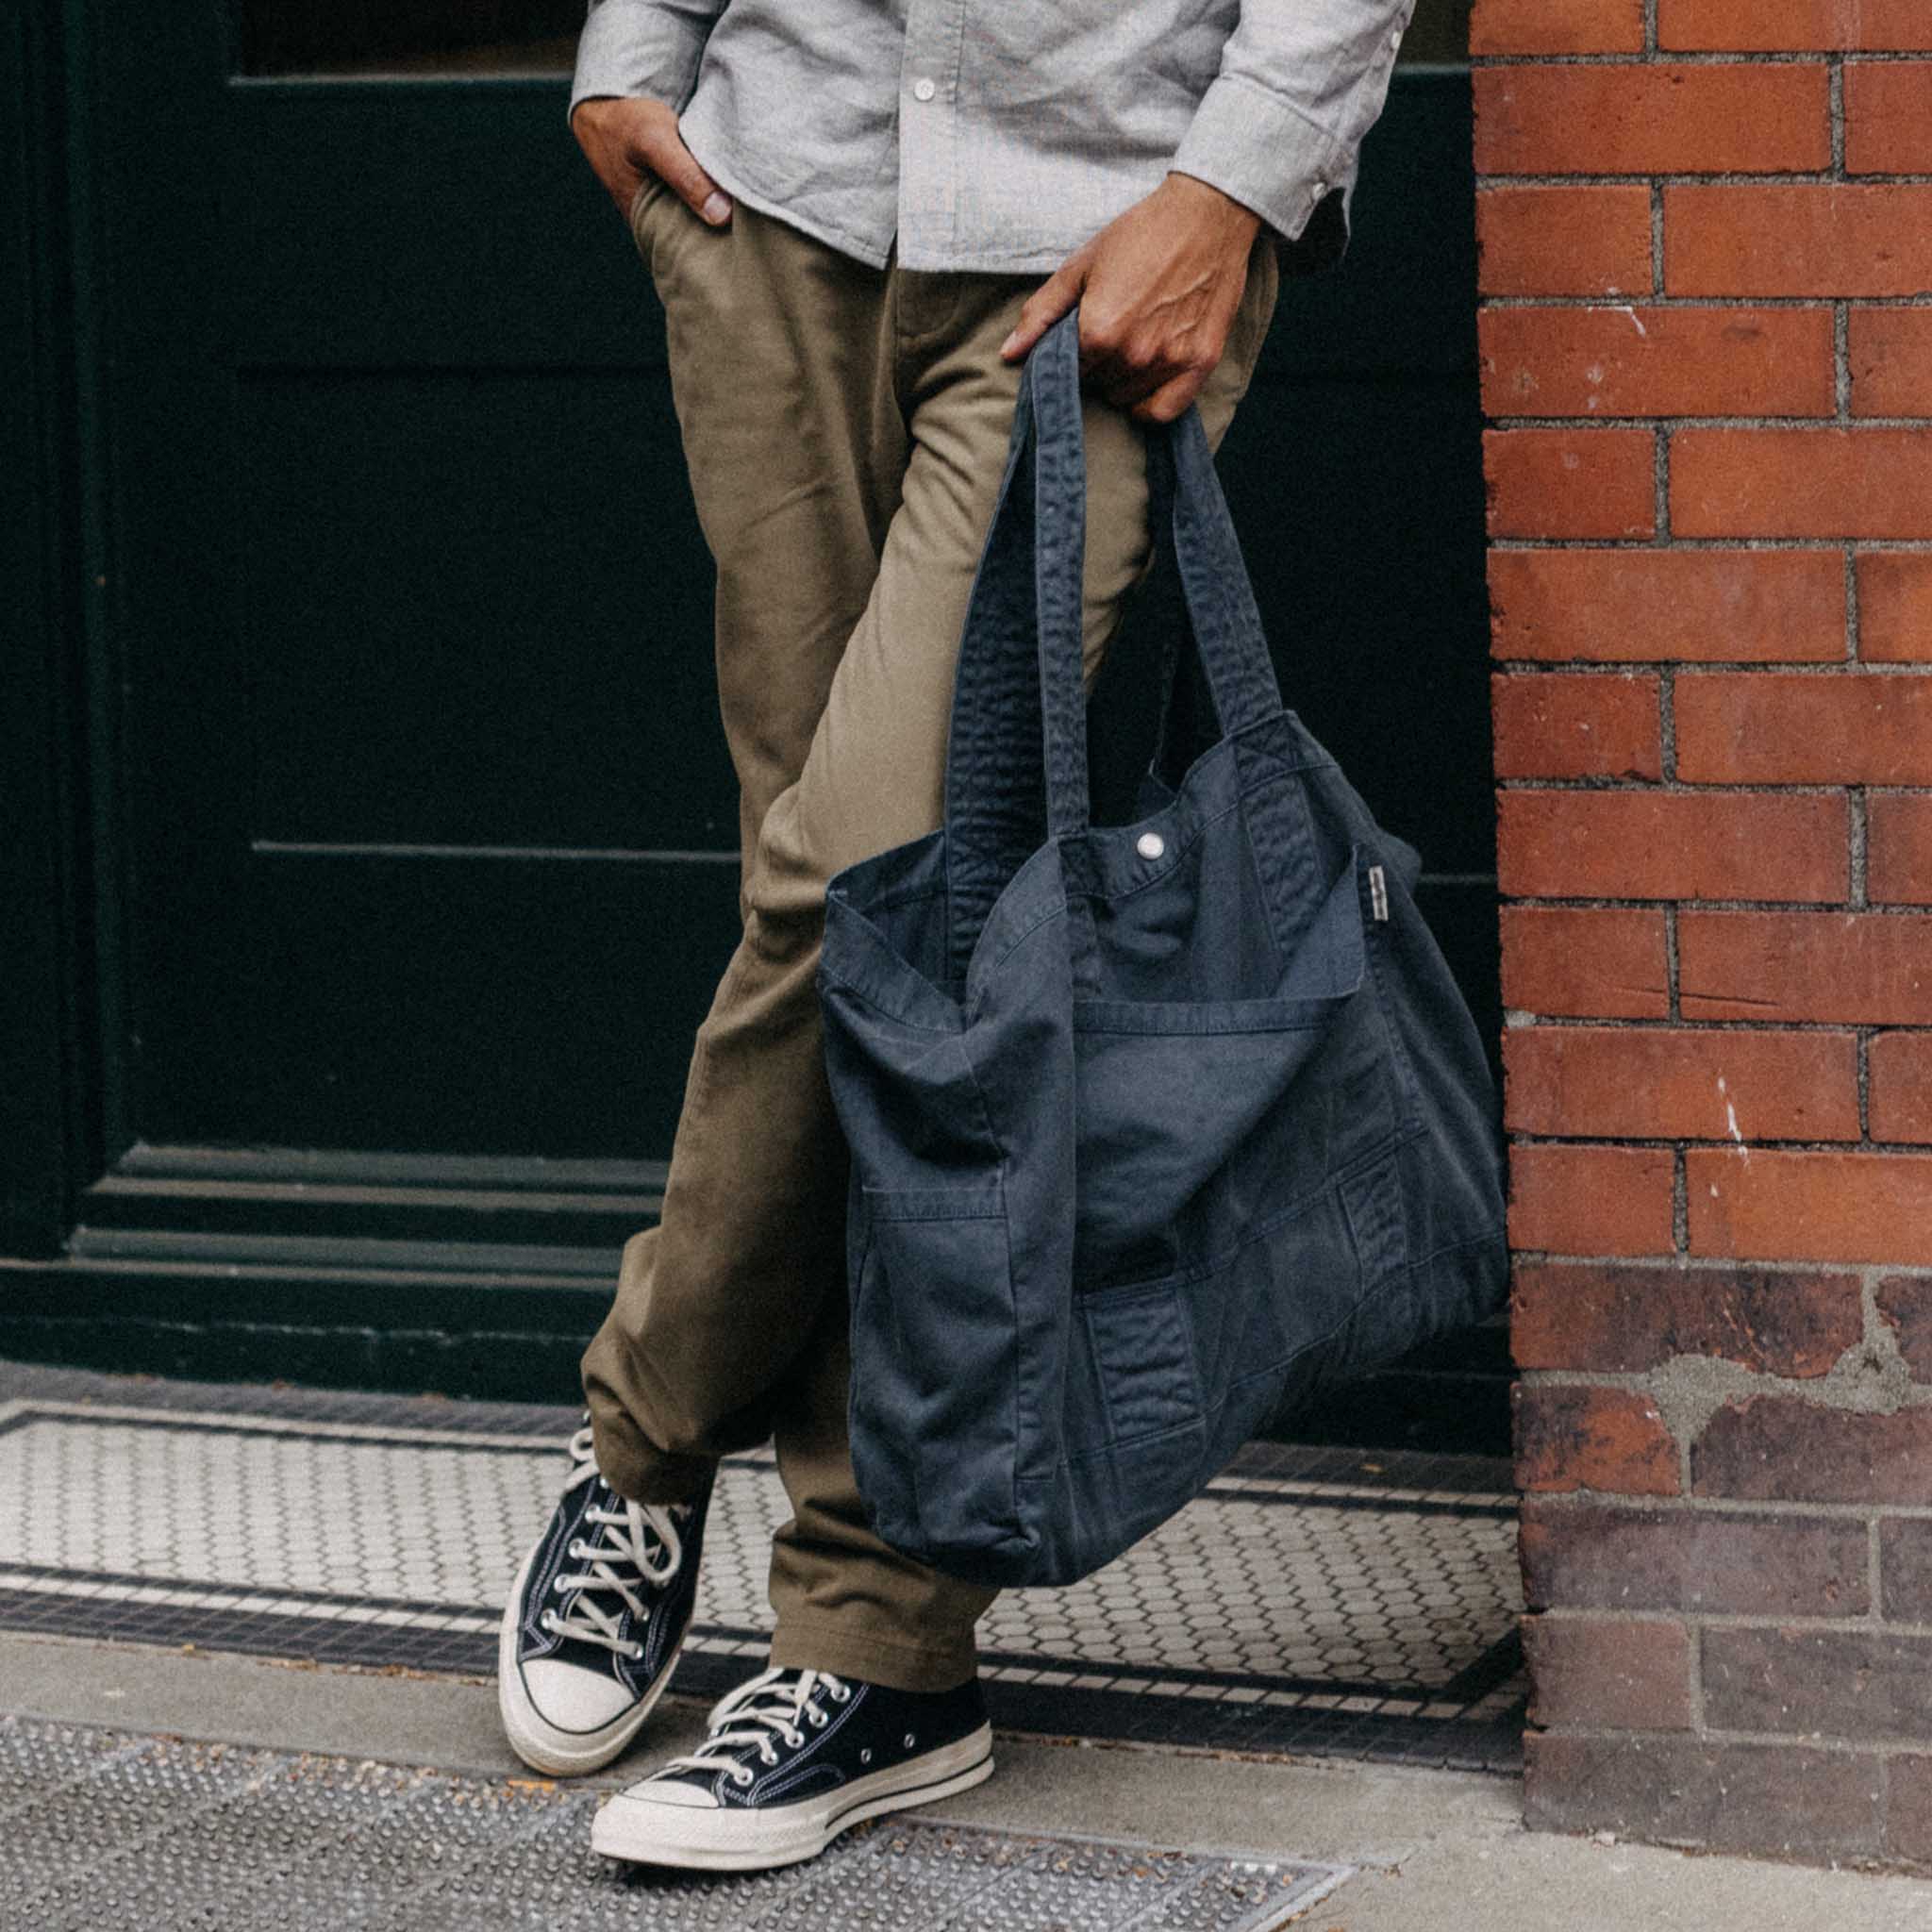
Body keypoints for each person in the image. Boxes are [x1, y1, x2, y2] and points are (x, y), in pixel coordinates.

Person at [496, 0, 1415, 1875]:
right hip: (775, 190)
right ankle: (866, 1639)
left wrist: (1230, 179)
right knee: (819, 901)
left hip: (1092, 232)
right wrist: (630, 47)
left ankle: (719, 1496)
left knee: (884, 881)